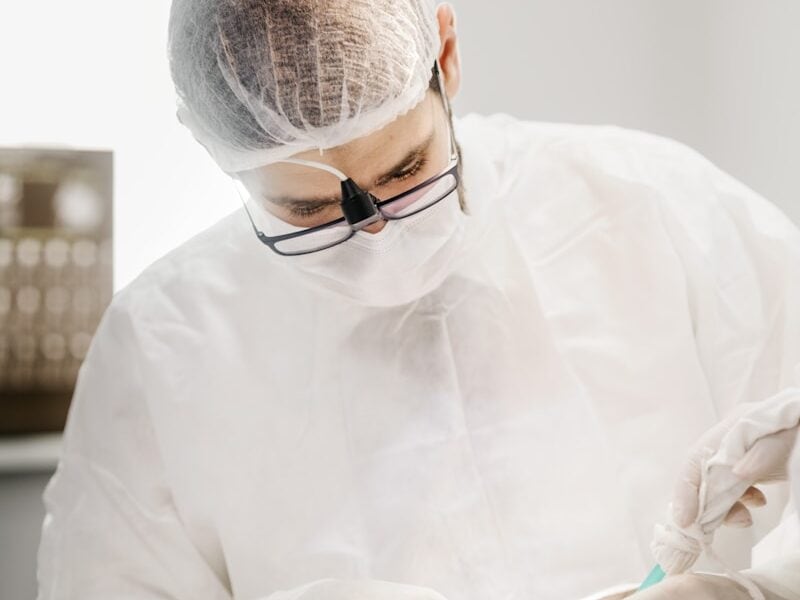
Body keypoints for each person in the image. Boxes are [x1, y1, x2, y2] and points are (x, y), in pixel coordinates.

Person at [35, 1, 800, 598]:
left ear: (447, 54)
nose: (377, 235)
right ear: (213, 150)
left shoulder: (654, 207)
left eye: (406, 171)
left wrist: (754, 591)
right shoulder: (162, 345)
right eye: (308, 212)